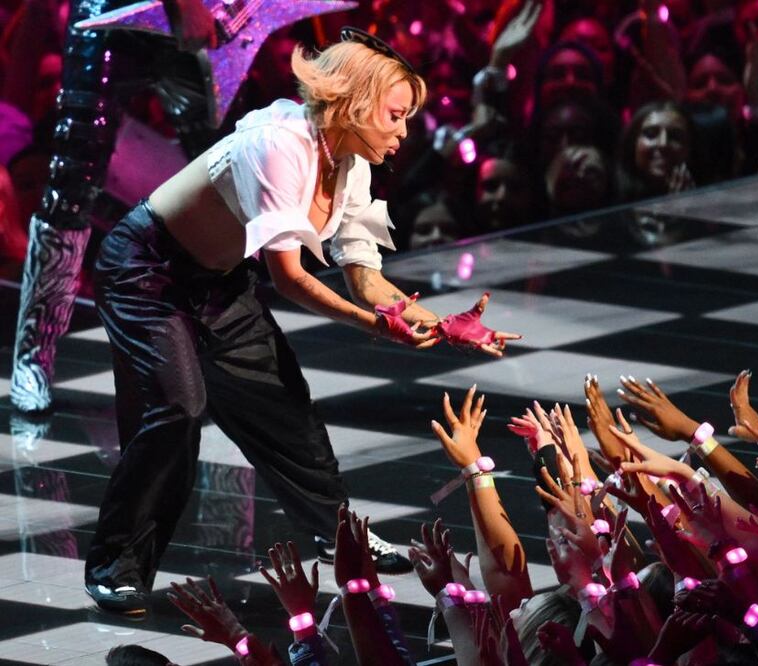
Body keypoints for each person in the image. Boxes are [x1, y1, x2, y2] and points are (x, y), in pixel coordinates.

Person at [83, 28, 519, 618]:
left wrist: (437, 322)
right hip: (147, 272)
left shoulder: (350, 157)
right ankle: (117, 566)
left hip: (218, 281)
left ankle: (342, 535)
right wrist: (374, 326)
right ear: (357, 103)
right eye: (395, 115)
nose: (403, 131)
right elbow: (287, 278)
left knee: (285, 409)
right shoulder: (280, 142)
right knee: (179, 408)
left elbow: (365, 275)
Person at [11, 0, 220, 413]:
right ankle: (34, 357)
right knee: (75, 175)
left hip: (199, 18)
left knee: (222, 176)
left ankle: (223, 350)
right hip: (112, 13)